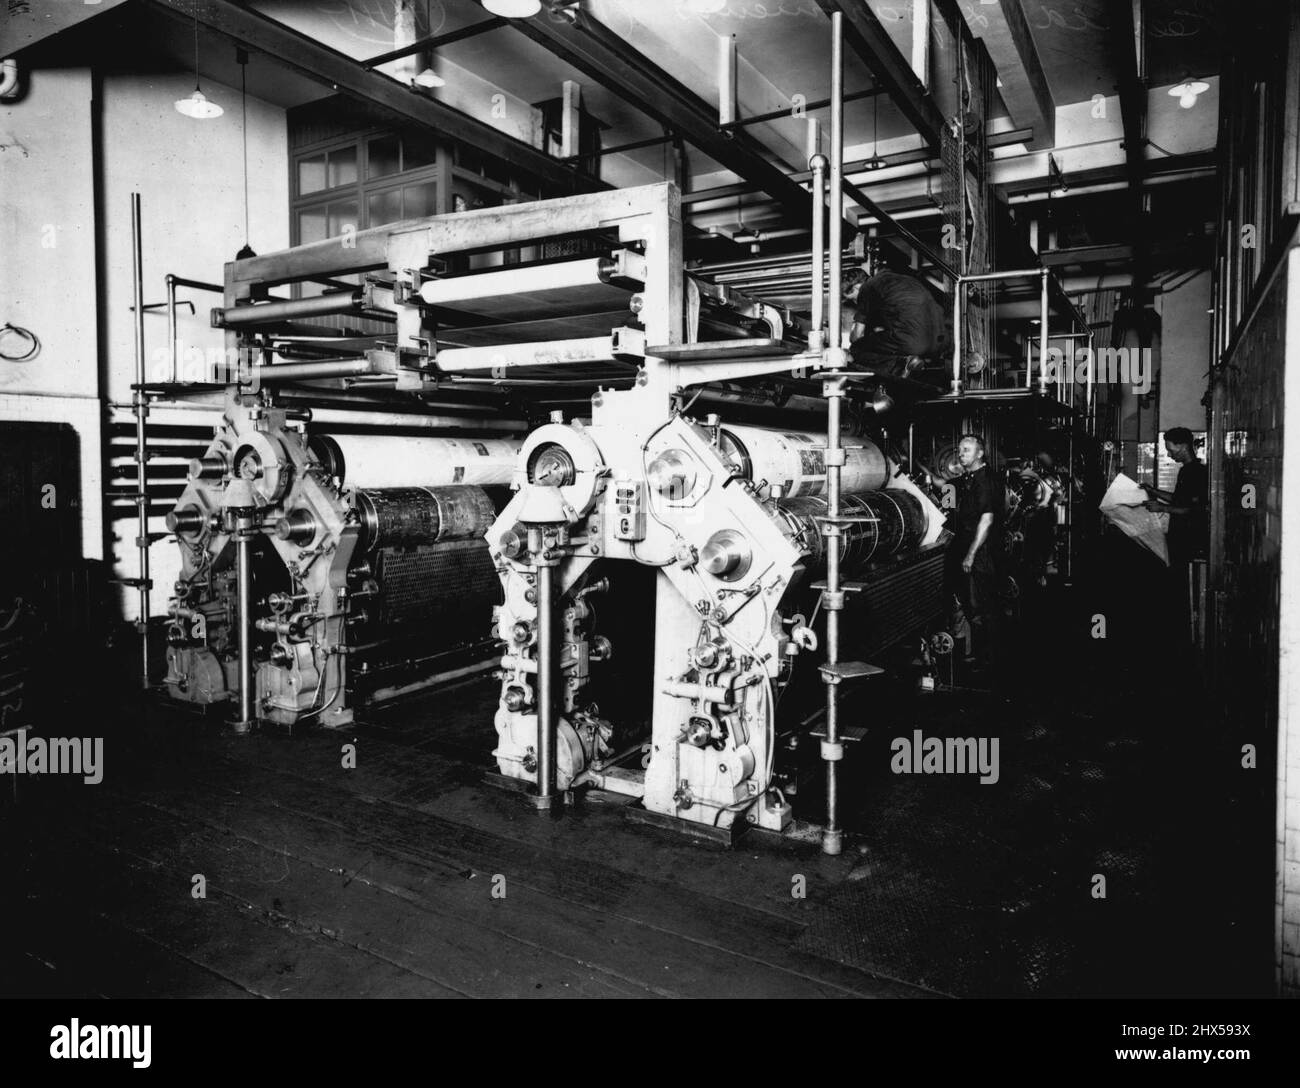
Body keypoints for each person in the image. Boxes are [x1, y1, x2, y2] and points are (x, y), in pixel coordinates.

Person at [947, 434, 1007, 690]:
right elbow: (945, 486)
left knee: (981, 608)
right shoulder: (968, 480)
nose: (961, 454)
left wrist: (971, 554)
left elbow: (987, 520)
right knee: (973, 607)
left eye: (967, 450)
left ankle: (989, 666)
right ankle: (982, 658)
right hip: (968, 551)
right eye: (960, 449)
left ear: (980, 453)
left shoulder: (987, 481)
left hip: (981, 554)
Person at [1142, 427, 1208, 647]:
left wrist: (1162, 507)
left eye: (1171, 449)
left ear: (1182, 445)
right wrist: (1154, 491)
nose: (1169, 454)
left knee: (1181, 588)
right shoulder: (1186, 471)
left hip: (1189, 540)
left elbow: (1195, 510)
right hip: (1180, 538)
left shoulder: (1197, 472)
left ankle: (1182, 639)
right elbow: (1180, 500)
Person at [847, 266, 949, 377]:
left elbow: (857, 336)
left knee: (857, 348)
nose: (856, 303)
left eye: (853, 299)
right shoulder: (900, 279)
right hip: (941, 343)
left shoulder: (867, 288)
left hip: (916, 343)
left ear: (857, 287)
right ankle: (909, 363)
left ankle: (903, 365)